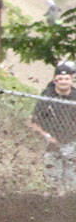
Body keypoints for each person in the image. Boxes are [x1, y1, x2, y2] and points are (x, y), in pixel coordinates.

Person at [29, 60, 76, 193]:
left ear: (71, 80)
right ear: (55, 80)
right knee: (52, 181)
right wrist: (47, 136)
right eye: (60, 79)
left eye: (67, 78)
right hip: (52, 144)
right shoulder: (47, 96)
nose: (63, 81)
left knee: (71, 181)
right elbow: (33, 121)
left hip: (72, 143)